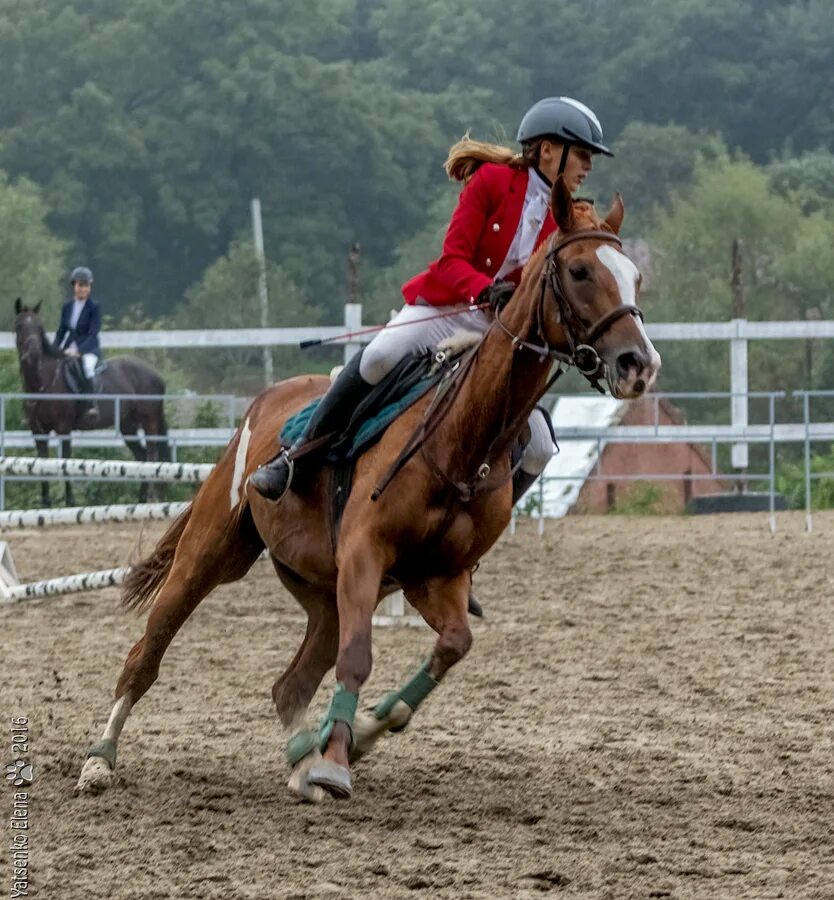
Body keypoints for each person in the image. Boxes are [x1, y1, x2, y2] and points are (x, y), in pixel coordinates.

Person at [250, 96, 613, 503]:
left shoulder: (564, 216)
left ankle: (483, 525)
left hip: (498, 329)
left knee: (541, 446)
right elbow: (451, 258)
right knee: (378, 357)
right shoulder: (493, 181)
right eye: (582, 154)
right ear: (548, 150)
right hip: (445, 308)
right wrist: (483, 288)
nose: (589, 165)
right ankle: (295, 458)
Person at [54, 266, 103, 426]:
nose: (82, 289)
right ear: (74, 286)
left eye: (85, 285)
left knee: (88, 367)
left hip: (88, 348)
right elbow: (61, 331)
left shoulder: (94, 307)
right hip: (69, 346)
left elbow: (93, 333)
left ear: (90, 287)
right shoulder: (67, 307)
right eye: (79, 285)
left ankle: (92, 404)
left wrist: (79, 351)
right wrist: (54, 349)